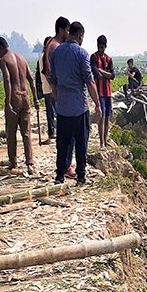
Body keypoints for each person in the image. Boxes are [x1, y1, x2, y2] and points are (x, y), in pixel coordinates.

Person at [50, 21, 101, 185]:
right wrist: (98, 104)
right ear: (80, 36)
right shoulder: (82, 54)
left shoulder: (57, 52)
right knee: (81, 142)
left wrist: (58, 100)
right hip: (79, 106)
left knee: (62, 142)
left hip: (63, 107)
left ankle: (59, 175)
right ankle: (81, 175)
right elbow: (89, 81)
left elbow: (53, 81)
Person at [0, 36, 38, 175]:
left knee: (11, 132)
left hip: (15, 98)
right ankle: (30, 164)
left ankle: (13, 163)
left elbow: (7, 81)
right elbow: (31, 79)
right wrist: (35, 99)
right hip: (26, 96)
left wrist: (8, 102)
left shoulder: (4, 60)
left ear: (1, 47)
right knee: (26, 133)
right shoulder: (21, 58)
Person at [44, 17, 76, 177]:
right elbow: (56, 74)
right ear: (62, 29)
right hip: (61, 94)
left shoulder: (51, 45)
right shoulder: (56, 47)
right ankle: (66, 165)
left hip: (58, 93)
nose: (69, 33)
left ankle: (64, 165)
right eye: (68, 30)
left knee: (65, 133)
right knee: (68, 134)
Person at [90, 35, 114, 149]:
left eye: (103, 47)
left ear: (105, 46)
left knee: (107, 117)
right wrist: (105, 73)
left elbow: (113, 75)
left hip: (108, 92)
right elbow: (96, 74)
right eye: (100, 47)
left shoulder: (108, 59)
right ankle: (101, 143)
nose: (101, 49)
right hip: (99, 92)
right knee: (101, 116)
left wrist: (101, 71)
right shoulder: (93, 57)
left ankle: (105, 139)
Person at [36, 36, 55, 144]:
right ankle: (52, 131)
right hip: (49, 88)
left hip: (48, 87)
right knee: (51, 111)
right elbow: (45, 74)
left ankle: (53, 131)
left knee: (52, 111)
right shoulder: (44, 58)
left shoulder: (45, 57)